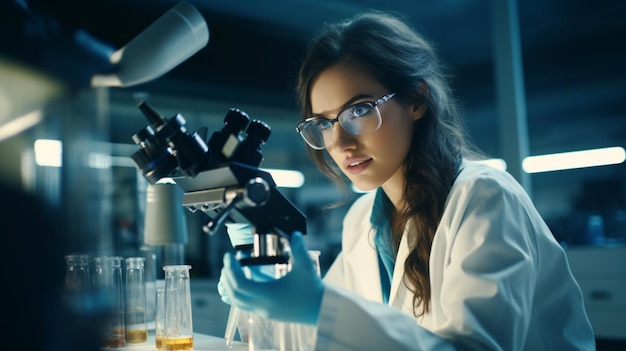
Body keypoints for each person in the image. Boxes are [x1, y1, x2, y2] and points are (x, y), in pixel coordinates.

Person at [219, 11, 595, 350]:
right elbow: (325, 337)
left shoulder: (484, 198)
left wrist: (318, 307)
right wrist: (267, 297)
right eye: (323, 124)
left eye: (360, 111)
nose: (341, 143)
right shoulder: (362, 220)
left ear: (416, 101)